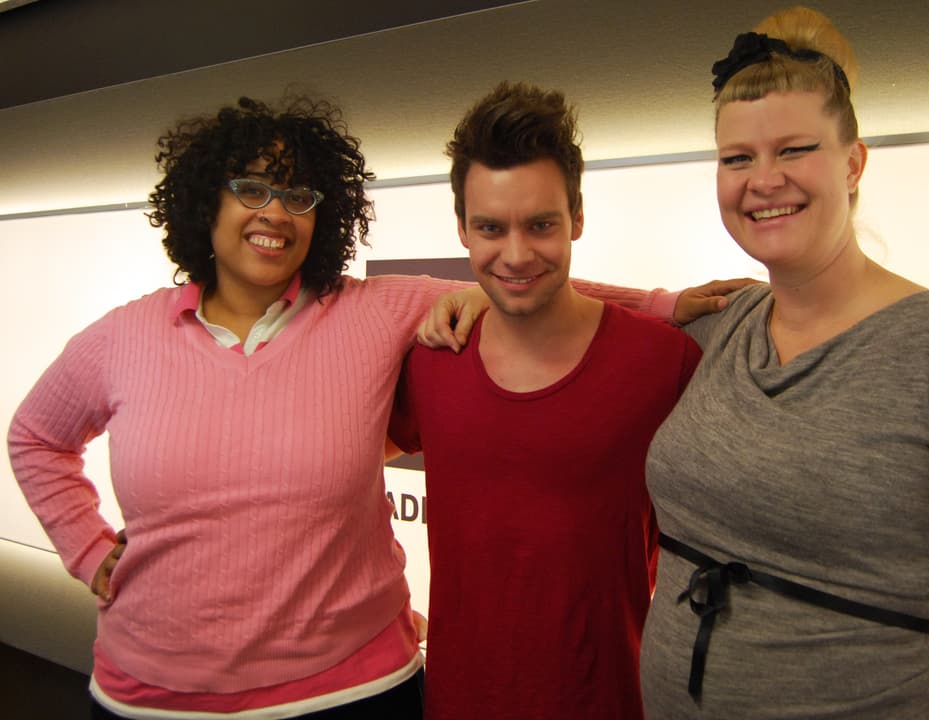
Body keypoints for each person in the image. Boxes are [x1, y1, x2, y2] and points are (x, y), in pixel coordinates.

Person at [7, 94, 725, 719]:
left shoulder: (372, 312)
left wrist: (662, 305)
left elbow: (527, 285)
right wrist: (89, 549)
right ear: (206, 201)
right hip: (153, 698)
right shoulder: (122, 336)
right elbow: (35, 437)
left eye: (299, 196)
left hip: (352, 693)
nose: (276, 214)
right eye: (253, 188)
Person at [638, 7, 929, 718]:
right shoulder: (723, 327)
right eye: (737, 158)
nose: (763, 179)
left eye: (793, 150)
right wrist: (482, 298)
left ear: (853, 163)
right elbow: (578, 321)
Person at [388, 81, 703, 720]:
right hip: (457, 703)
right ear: (462, 230)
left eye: (540, 225)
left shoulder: (664, 362)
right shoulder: (429, 361)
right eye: (490, 228)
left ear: (577, 219)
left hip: (613, 699)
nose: (516, 254)